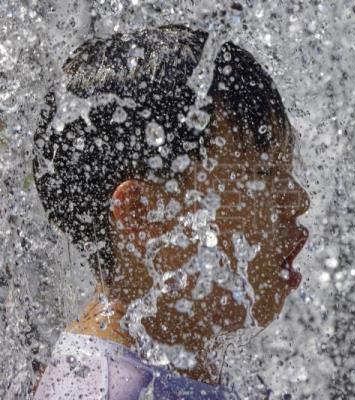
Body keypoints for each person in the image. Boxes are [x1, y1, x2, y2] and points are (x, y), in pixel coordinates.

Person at [31, 24, 309, 399]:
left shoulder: (158, 373)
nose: (298, 200)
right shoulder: (105, 389)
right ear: (143, 214)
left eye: (285, 171)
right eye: (258, 175)